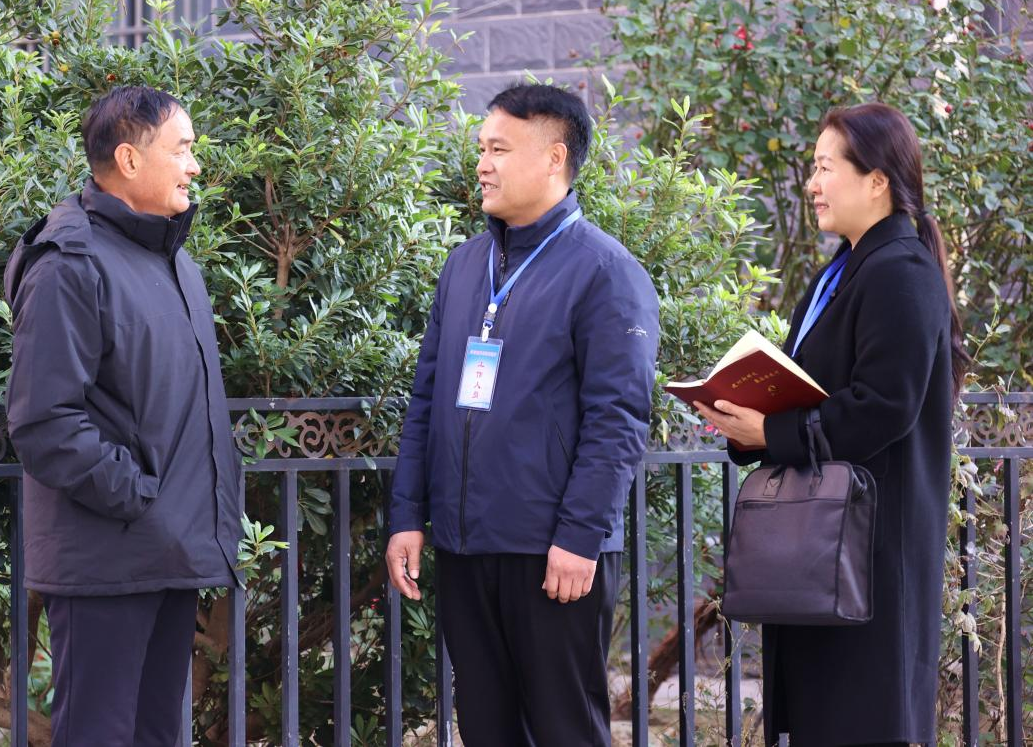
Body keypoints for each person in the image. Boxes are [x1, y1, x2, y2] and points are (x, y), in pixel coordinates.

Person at [385, 83, 660, 746]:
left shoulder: (605, 272)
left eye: (500, 150)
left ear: (554, 158)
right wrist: (407, 515)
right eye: (482, 148)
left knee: (565, 731)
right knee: (486, 729)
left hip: (552, 553)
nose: (482, 164)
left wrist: (580, 536)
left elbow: (618, 420)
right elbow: (427, 400)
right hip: (465, 546)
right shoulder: (464, 266)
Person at [695, 103, 966, 747]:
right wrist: (743, 417)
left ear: (877, 180)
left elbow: (883, 405)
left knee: (860, 723)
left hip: (871, 555)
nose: (811, 184)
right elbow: (815, 392)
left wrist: (772, 433)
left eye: (824, 168)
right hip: (822, 547)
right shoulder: (841, 272)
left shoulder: (901, 272)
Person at [4, 86, 242, 746]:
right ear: (130, 160)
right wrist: (137, 497)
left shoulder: (174, 261)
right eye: (182, 149)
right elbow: (43, 421)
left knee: (158, 736)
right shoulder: (68, 263)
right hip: (107, 559)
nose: (194, 165)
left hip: (169, 549)